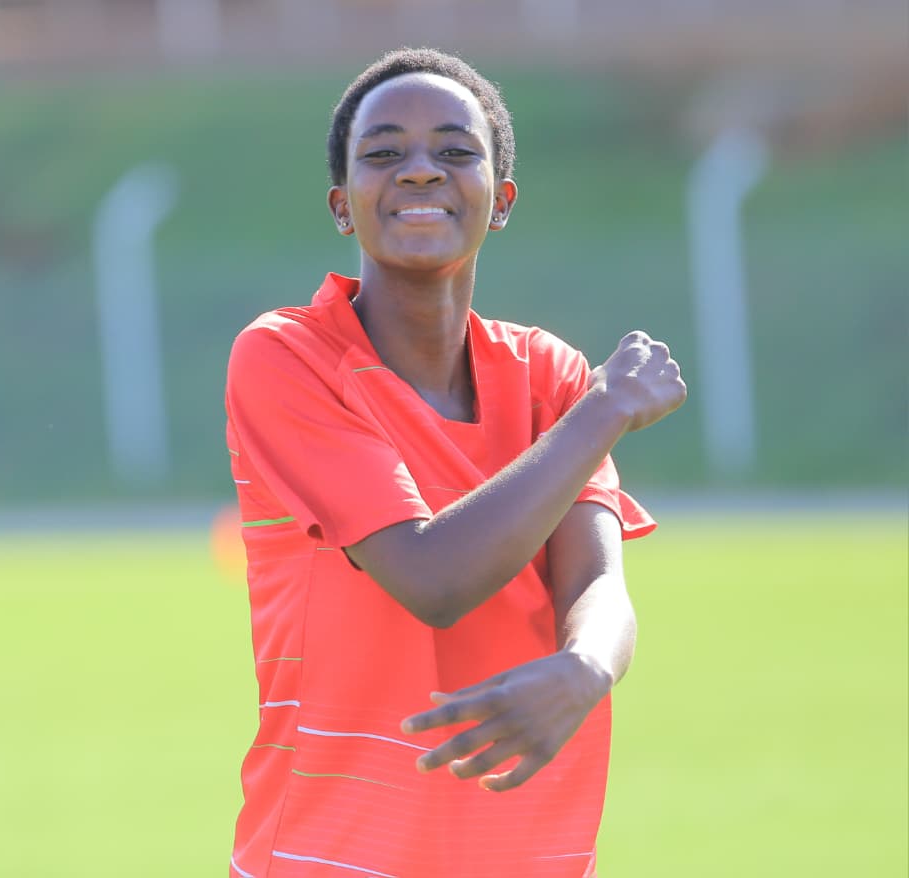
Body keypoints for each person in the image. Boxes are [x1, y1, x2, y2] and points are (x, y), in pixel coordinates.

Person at [224, 47, 686, 878]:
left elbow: (597, 583)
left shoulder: (550, 376)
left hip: (530, 851)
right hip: (330, 854)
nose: (420, 170)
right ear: (342, 205)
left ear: (500, 200)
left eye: (455, 150)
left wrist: (585, 668)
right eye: (383, 152)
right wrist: (605, 410)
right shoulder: (287, 357)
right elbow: (432, 579)